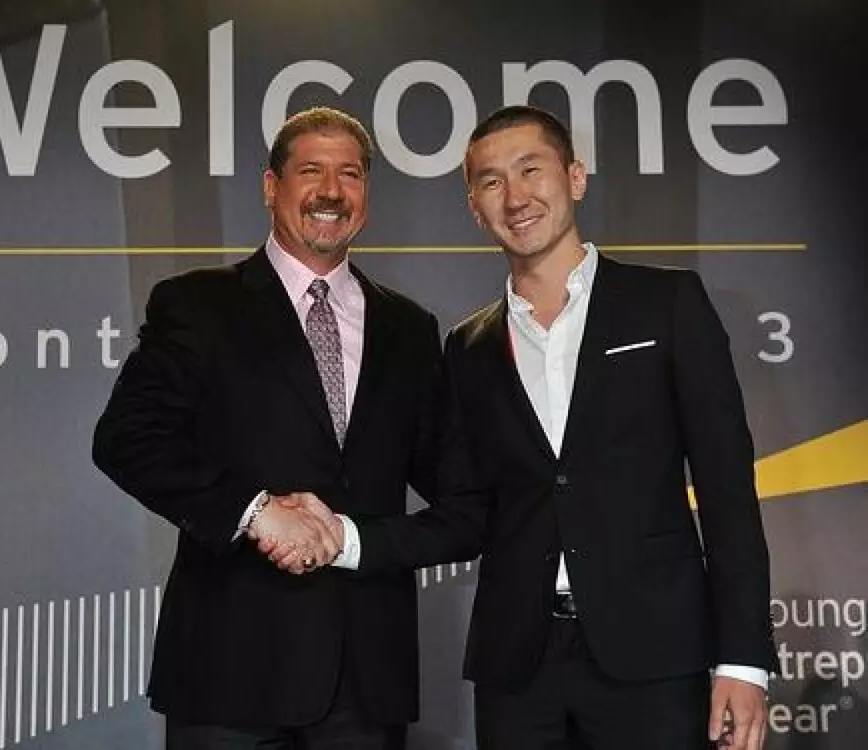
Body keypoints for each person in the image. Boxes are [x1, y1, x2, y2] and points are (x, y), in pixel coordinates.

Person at [265, 105, 777, 750]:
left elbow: (728, 493)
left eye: (531, 170)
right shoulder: (467, 347)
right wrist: (343, 537)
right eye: (491, 181)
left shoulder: (667, 304)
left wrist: (743, 661)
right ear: (475, 210)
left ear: (575, 177)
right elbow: (466, 509)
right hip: (517, 670)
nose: (515, 197)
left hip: (654, 656)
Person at [92, 106, 481, 750]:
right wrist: (256, 512)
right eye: (311, 171)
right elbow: (127, 439)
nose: (332, 191)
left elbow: (463, 506)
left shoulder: (410, 330)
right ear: (271, 187)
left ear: (366, 195)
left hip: (365, 684)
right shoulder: (197, 304)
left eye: (350, 174)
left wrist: (351, 541)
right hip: (229, 673)